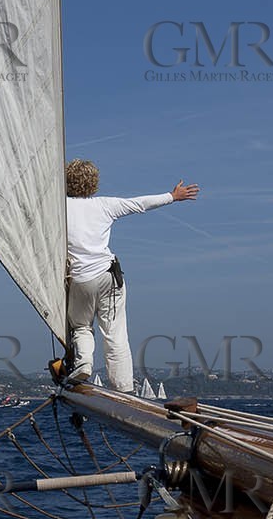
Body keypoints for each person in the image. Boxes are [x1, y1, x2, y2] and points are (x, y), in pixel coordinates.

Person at [64, 159, 199, 392]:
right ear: (94, 183)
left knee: (81, 327)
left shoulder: (59, 208)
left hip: (81, 279)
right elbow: (139, 204)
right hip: (109, 276)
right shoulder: (104, 205)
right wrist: (172, 196)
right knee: (115, 333)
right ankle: (124, 387)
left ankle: (84, 363)